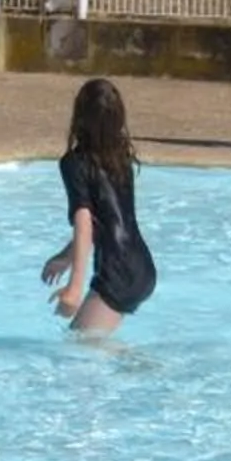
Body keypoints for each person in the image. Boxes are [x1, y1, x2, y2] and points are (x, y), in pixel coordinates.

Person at [41, 77, 157, 336]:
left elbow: (84, 223)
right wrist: (66, 256)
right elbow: (103, 220)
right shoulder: (121, 157)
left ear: (79, 117)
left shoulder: (74, 163)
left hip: (117, 273)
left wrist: (74, 287)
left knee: (79, 348)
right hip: (142, 267)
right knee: (92, 346)